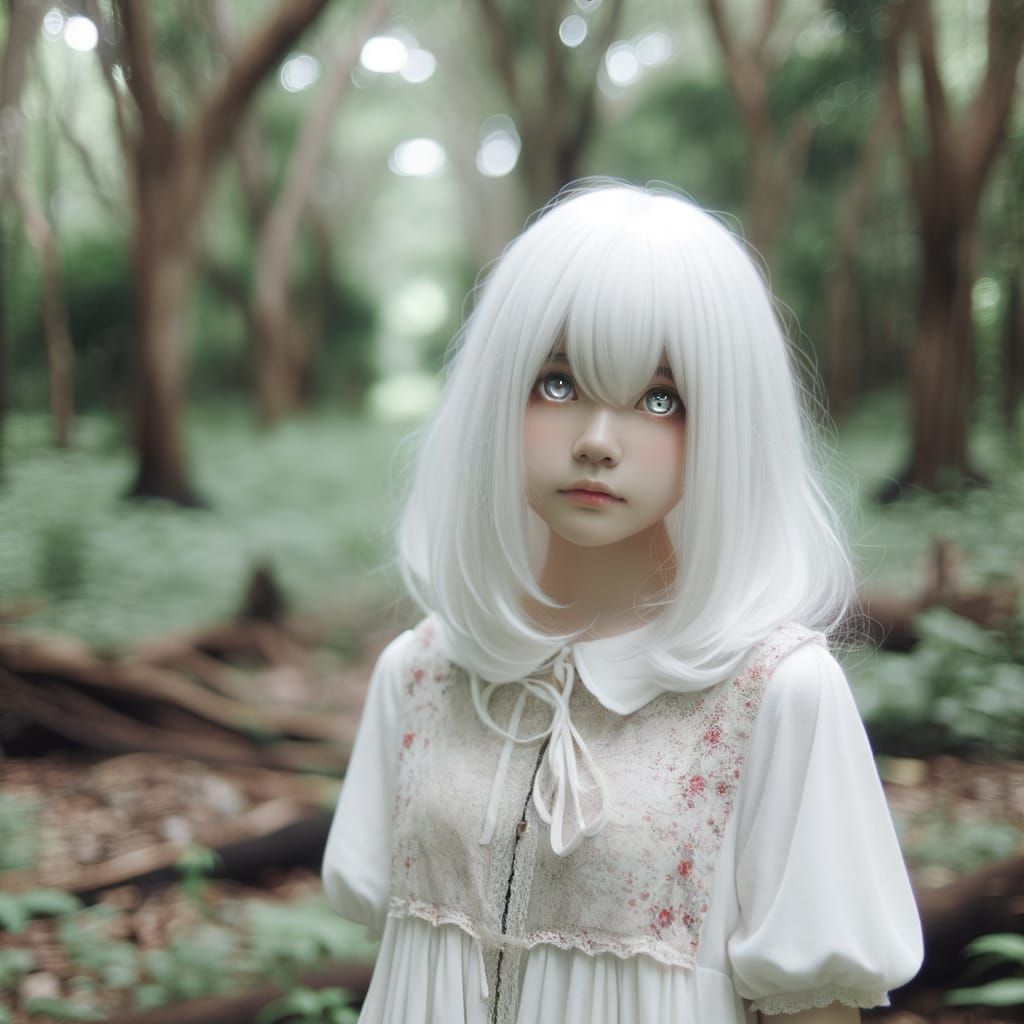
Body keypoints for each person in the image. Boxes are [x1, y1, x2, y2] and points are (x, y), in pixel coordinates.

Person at [322, 182, 922, 1023]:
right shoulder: (422, 674)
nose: (598, 442)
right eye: (558, 382)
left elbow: (813, 1009)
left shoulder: (776, 694)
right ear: (499, 389)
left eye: (659, 398)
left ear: (723, 420)